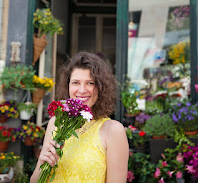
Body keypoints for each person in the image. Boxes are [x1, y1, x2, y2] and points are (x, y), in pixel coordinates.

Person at [30, 52, 129, 183]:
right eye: (76, 82)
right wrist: (43, 164)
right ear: (68, 86)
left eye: (90, 83)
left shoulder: (113, 130)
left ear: (100, 88)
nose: (82, 90)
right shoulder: (56, 122)